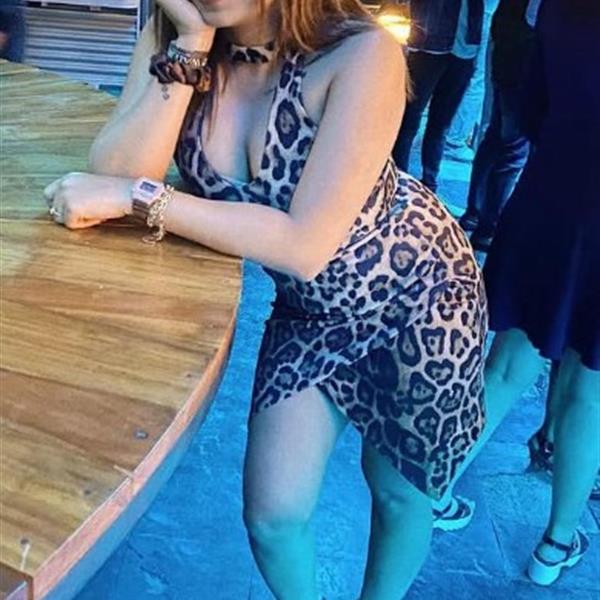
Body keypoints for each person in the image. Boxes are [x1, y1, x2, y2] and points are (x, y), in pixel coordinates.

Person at [42, 0, 487, 597]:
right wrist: (191, 43)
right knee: (272, 518)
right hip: (310, 312)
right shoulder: (176, 36)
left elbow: (304, 245)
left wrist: (142, 200)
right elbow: (115, 172)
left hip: (418, 294)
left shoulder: (360, 51)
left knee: (398, 492)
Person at [445, 0, 600, 586]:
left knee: (508, 366)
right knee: (591, 393)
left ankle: (431, 490)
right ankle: (554, 548)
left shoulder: (563, 11)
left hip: (552, 203)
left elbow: (530, 113)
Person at [458, 0, 537, 251]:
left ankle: (475, 214)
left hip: (507, 48)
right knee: (513, 151)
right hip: (523, 61)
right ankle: (489, 228)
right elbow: (534, 16)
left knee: (496, 139)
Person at [391, 0, 485, 193]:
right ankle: (398, 182)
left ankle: (429, 184)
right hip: (428, 43)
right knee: (409, 119)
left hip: (465, 46)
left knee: (440, 124)